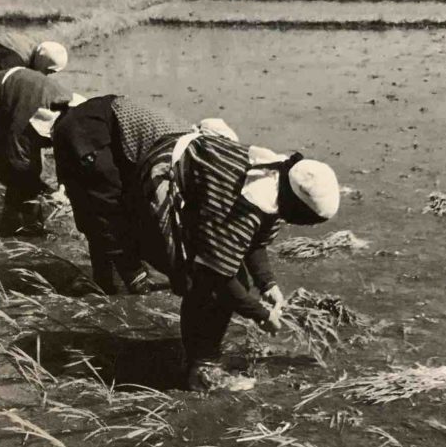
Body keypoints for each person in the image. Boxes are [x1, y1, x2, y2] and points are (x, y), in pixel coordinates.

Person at [138, 127, 340, 390]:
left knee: (233, 280)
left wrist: (267, 283)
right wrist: (261, 314)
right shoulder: (250, 200)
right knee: (202, 283)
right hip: (164, 175)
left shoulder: (279, 178)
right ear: (298, 209)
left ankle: (201, 357)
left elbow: (254, 242)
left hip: (197, 183)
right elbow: (215, 274)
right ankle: (201, 370)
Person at [48, 95, 189, 294]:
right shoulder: (184, 157)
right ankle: (126, 277)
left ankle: (108, 279)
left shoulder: (192, 150)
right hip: (87, 133)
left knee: (109, 208)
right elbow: (110, 203)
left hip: (112, 135)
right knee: (104, 206)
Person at [0, 67, 73, 234]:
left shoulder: (69, 119)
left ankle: (25, 221)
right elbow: (16, 163)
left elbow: (66, 157)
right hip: (4, 98)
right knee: (18, 175)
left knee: (27, 174)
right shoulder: (20, 127)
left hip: (28, 99)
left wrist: (63, 187)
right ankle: (13, 223)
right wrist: (45, 190)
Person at [0, 31, 68, 76]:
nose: (46, 75)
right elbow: (3, 82)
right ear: (43, 62)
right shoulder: (17, 60)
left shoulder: (32, 49)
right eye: (48, 71)